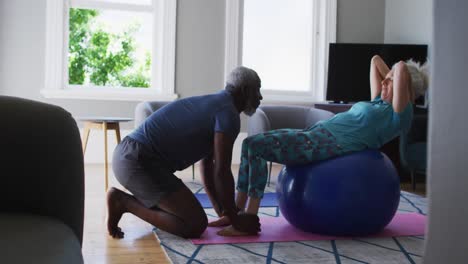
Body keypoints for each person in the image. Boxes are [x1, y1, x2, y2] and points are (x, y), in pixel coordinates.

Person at [210, 55, 430, 236]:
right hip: (315, 134)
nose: (383, 82)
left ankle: (249, 218)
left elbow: (401, 67)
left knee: (256, 148)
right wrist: (390, 77)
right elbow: (373, 60)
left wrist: (402, 72)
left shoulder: (400, 114)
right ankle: (235, 213)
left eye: (389, 81)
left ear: (405, 88)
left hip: (325, 144)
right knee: (249, 144)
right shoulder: (378, 103)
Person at [107, 66, 263, 239]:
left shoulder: (218, 104)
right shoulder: (228, 114)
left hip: (127, 157)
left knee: (184, 215)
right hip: (138, 161)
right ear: (245, 90)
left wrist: (223, 212)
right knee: (194, 224)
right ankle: (123, 202)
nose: (260, 97)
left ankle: (125, 201)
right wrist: (236, 220)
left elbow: (207, 167)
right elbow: (222, 171)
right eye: (258, 90)